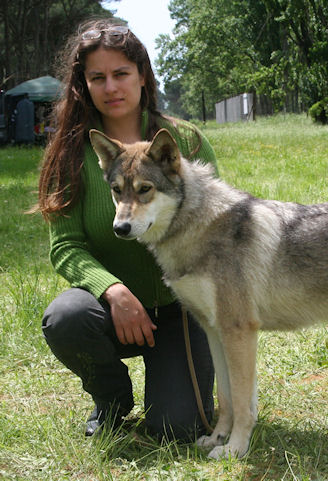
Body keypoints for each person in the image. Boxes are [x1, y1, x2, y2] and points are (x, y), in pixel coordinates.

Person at [34, 18, 215, 441]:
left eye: (121, 74)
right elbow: (66, 246)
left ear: (142, 76)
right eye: (97, 77)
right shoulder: (69, 154)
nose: (111, 87)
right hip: (112, 312)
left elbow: (216, 225)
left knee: (177, 430)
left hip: (182, 310)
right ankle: (112, 398)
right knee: (66, 317)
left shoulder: (183, 141)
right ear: (84, 85)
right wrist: (113, 292)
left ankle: (178, 388)